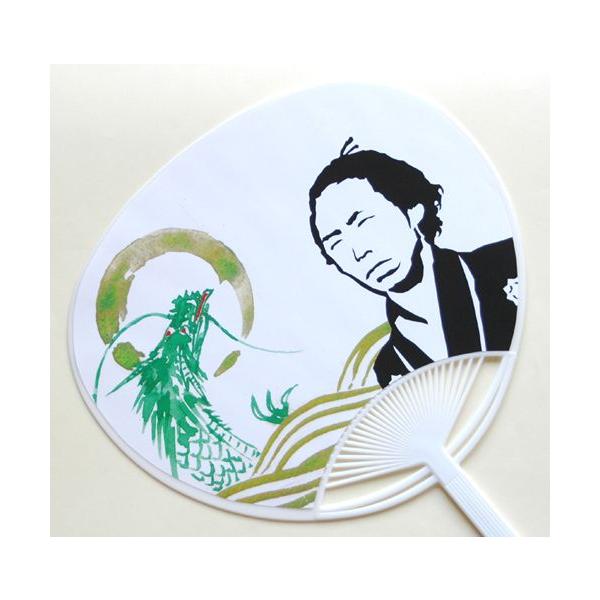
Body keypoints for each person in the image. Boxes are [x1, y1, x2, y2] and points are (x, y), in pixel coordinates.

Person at [308, 139, 518, 387]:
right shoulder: (392, 368)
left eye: (363, 221)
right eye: (335, 244)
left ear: (412, 210)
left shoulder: (509, 265)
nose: (359, 252)